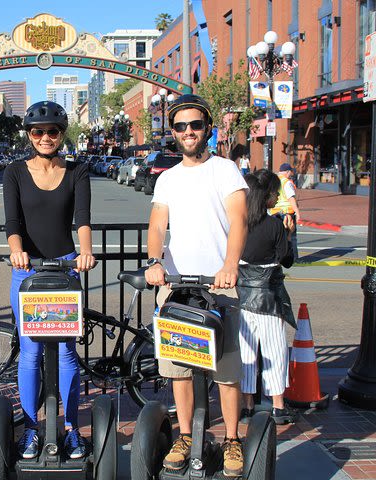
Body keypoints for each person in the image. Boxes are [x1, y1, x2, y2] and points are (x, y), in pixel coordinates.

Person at [144, 94, 248, 478]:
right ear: (172, 133)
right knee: (179, 369)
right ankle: (186, 436)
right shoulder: (168, 178)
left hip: (218, 285)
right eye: (181, 127)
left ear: (207, 128)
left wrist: (229, 265)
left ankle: (232, 439)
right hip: (177, 285)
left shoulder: (225, 170)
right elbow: (157, 225)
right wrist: (155, 263)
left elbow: (239, 220)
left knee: (226, 369)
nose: (188, 132)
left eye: (195, 125)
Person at [3, 100, 96, 460]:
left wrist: (85, 251)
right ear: (29, 135)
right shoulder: (14, 171)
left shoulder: (78, 170)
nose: (45, 137)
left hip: (65, 268)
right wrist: (16, 250)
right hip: (27, 270)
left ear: (62, 134)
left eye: (52, 131)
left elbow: (83, 217)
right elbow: (14, 222)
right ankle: (30, 429)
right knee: (30, 352)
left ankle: (70, 428)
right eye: (38, 132)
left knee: (67, 353)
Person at [238, 169, 297, 426]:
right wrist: (290, 234)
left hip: (241, 296)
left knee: (246, 353)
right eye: (275, 193)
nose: (277, 197)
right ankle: (278, 406)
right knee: (274, 349)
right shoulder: (274, 225)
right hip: (269, 297)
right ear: (266, 196)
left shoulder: (239, 223)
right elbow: (287, 260)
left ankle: (248, 405)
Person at [269, 163, 301, 261]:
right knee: (291, 236)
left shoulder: (273, 181)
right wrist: (297, 212)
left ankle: (277, 257)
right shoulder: (287, 182)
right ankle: (293, 258)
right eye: (291, 172)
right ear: (287, 172)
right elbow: (291, 197)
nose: (291, 174)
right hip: (287, 212)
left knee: (277, 237)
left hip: (274, 212)